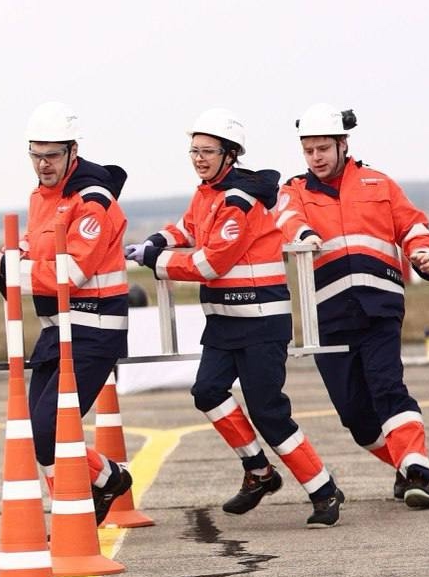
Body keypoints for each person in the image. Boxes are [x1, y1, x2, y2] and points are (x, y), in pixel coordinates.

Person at [126, 108, 342, 527]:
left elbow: (210, 264)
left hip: (261, 322)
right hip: (225, 322)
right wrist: (154, 240)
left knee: (268, 413)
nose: (199, 158)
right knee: (207, 391)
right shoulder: (207, 193)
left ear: (230, 154)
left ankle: (323, 489)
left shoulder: (238, 201)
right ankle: (259, 473)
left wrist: (155, 260)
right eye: (194, 150)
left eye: (207, 151)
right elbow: (187, 229)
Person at [274, 103, 429, 508]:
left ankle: (420, 474)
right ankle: (404, 466)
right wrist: (304, 234)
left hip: (379, 306)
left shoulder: (378, 184)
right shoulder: (294, 190)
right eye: (309, 150)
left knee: (388, 388)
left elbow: (412, 226)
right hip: (329, 316)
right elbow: (285, 218)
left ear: (343, 144)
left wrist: (423, 253)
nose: (316, 158)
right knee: (355, 415)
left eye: (323, 149)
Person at [0, 101, 132, 524]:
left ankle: (99, 489)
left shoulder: (93, 201)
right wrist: (6, 255)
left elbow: (72, 272)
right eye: (36, 155)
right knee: (37, 434)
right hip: (56, 331)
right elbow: (35, 249)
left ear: (73, 151)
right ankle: (87, 500)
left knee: (50, 429)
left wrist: (8, 266)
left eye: (52, 155)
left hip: (93, 330)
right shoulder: (41, 197)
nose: (43, 164)